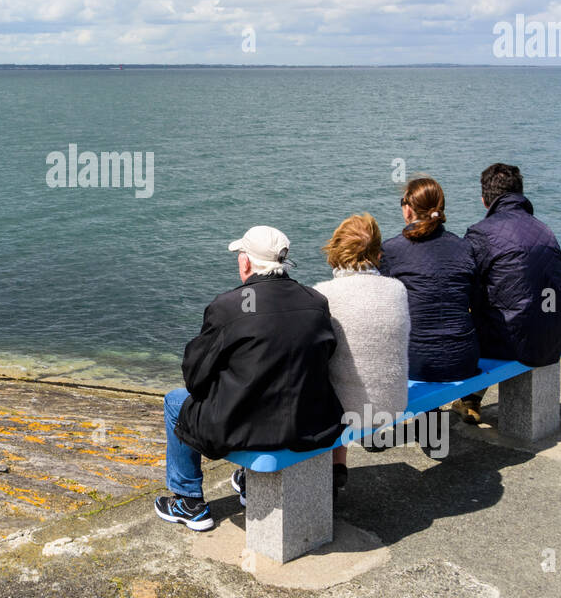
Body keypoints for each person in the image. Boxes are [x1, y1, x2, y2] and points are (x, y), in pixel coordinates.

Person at [157, 225, 343, 531]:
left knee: (176, 401)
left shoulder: (229, 307)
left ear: (246, 263)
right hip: (307, 423)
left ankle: (189, 501)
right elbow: (326, 356)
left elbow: (195, 377)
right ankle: (246, 481)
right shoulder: (315, 302)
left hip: (244, 428)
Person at [459, 163, 561, 423]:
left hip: (511, 342)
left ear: (485, 200)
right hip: (551, 337)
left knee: (464, 312)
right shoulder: (545, 231)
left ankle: (469, 397)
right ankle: (471, 399)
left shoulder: (480, 233)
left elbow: (463, 287)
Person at [314, 214, 410, 483]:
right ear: (378, 252)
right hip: (392, 403)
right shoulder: (397, 289)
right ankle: (339, 462)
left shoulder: (323, 294)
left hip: (346, 410)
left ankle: (333, 464)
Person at [380, 177, 480, 383]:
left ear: (408, 210)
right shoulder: (464, 247)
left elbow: (384, 312)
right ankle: (451, 409)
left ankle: (430, 415)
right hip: (463, 358)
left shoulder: (391, 250)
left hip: (417, 362)